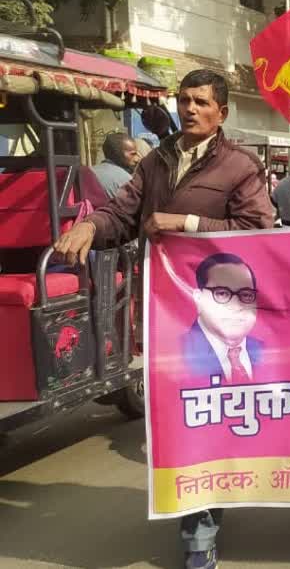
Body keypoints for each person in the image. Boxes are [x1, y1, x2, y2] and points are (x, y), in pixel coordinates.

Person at [51, 69, 275, 569]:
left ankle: (201, 529)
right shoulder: (157, 160)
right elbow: (122, 212)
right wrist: (89, 224)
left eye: (200, 101)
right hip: (167, 316)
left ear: (221, 111)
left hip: (221, 316)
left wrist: (186, 223)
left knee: (207, 420)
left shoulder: (240, 166)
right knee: (178, 421)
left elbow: (259, 229)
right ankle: (200, 522)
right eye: (184, 100)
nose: (189, 109)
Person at [182, 253, 263, 382]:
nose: (236, 306)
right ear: (199, 299)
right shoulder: (174, 353)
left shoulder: (270, 352)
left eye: (246, 295)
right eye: (222, 293)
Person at [93, 132, 138, 198]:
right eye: (132, 154)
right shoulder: (126, 180)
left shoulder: (90, 171)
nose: (137, 159)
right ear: (118, 154)